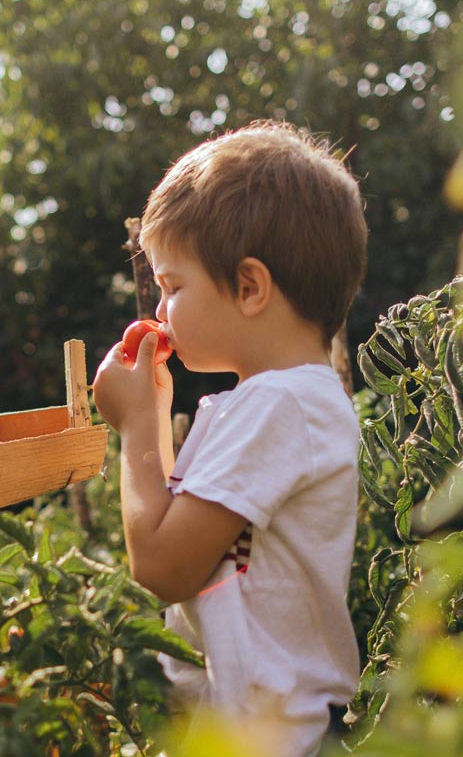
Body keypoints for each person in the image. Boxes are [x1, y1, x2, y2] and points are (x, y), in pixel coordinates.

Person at [91, 121, 368, 756]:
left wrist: (136, 429)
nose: (160, 311)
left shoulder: (280, 406)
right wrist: (155, 414)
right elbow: (177, 527)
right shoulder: (276, 403)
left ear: (249, 287)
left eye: (172, 286)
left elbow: (163, 566)